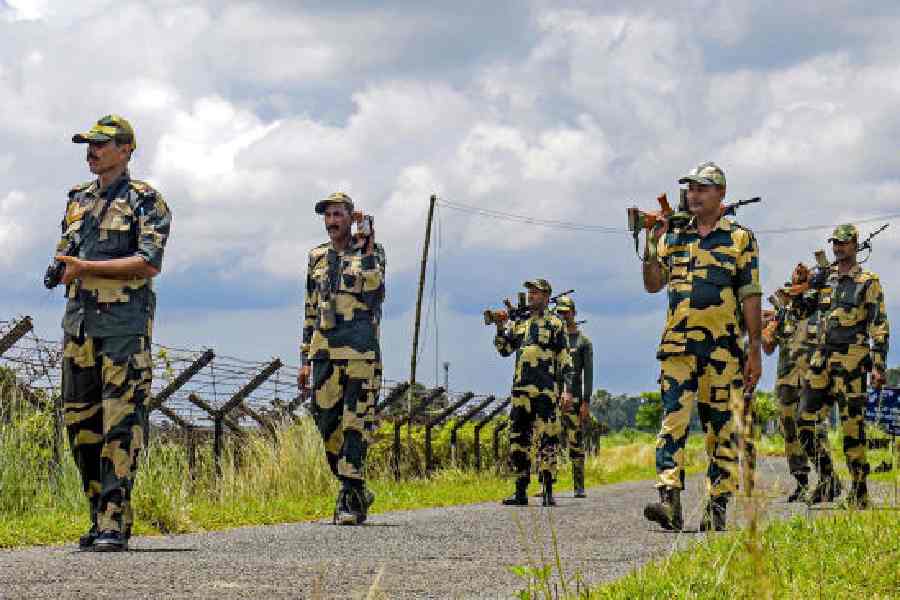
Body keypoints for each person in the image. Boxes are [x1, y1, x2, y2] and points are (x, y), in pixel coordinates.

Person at [57, 115, 171, 551]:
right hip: (79, 326)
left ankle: (115, 519)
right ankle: (96, 513)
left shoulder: (146, 201)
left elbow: (148, 263)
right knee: (81, 424)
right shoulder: (76, 199)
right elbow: (68, 254)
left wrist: (85, 268)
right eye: (88, 144)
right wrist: (66, 267)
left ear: (126, 150)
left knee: (121, 425)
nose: (92, 150)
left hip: (123, 330)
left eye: (101, 144)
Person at [641, 161, 762, 531]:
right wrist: (651, 242)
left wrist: (754, 347)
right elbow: (652, 283)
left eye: (703, 188)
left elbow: (751, 296)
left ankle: (718, 504)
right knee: (673, 422)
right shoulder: (674, 237)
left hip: (724, 350)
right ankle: (669, 499)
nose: (694, 194)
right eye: (690, 188)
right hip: (677, 347)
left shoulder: (739, 238)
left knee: (721, 427)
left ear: (720, 194)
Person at [298, 192, 385, 525]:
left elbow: (374, 291)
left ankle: (349, 497)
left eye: (338, 215)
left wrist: (366, 245)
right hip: (323, 352)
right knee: (326, 421)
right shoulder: (316, 257)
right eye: (328, 216)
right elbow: (309, 310)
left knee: (355, 423)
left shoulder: (372, 252)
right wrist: (305, 359)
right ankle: (358, 487)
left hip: (360, 352)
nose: (332, 221)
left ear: (351, 218)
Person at [799, 224, 890, 508]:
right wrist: (807, 287)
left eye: (843, 243)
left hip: (851, 362)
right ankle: (828, 479)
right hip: (822, 359)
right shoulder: (825, 278)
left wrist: (878, 364)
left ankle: (859, 490)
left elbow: (879, 324)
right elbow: (804, 312)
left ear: (854, 244)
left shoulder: (867, 280)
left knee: (853, 428)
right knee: (804, 421)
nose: (838, 248)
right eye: (835, 243)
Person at [493, 279, 573, 507]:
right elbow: (504, 349)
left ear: (547, 297)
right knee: (518, 438)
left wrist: (567, 390)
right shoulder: (520, 323)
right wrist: (500, 326)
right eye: (530, 293)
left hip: (546, 391)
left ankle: (547, 489)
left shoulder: (555, 323)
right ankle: (520, 490)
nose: (531, 297)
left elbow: (565, 358)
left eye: (536, 293)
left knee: (548, 438)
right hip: (521, 390)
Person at [762, 264, 831, 502]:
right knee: (790, 432)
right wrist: (768, 328)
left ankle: (827, 479)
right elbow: (768, 347)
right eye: (793, 280)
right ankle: (801, 481)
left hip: (814, 378)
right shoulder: (784, 312)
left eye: (801, 280)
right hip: (787, 380)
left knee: (815, 429)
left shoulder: (821, 310)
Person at [554, 295, 593, 497]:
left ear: (574, 313)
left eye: (566, 311)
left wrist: (586, 401)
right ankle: (546, 485)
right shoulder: (553, 338)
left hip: (574, 399)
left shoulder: (583, 341)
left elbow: (589, 373)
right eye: (559, 312)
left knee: (575, 441)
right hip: (552, 396)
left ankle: (579, 486)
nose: (563, 315)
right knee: (547, 440)